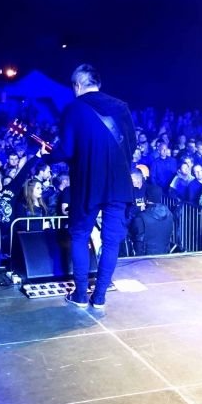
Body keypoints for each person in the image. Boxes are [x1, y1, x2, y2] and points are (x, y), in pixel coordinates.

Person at [41, 64, 136, 311]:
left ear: (77, 85)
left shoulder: (73, 109)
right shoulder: (121, 106)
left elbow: (66, 150)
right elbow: (132, 144)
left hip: (87, 186)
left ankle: (81, 295)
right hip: (119, 185)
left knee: (80, 235)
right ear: (98, 83)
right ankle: (100, 297)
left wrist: (47, 156)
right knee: (111, 242)